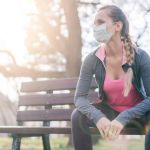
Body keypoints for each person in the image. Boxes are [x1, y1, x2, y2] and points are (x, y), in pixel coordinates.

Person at [71, 4, 150, 150]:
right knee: (78, 116)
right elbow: (80, 98)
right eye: (94, 23)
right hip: (110, 111)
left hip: (139, 114)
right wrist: (98, 117)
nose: (95, 27)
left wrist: (124, 117)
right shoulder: (92, 59)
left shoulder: (141, 56)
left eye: (100, 22)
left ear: (117, 26)